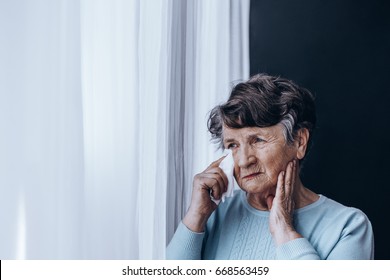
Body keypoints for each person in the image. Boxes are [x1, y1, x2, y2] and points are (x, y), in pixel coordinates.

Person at [166, 73, 374, 260]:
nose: (243, 160)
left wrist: (284, 231)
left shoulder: (348, 226)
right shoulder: (216, 213)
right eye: (233, 145)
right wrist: (196, 215)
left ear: (299, 142)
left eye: (257, 140)